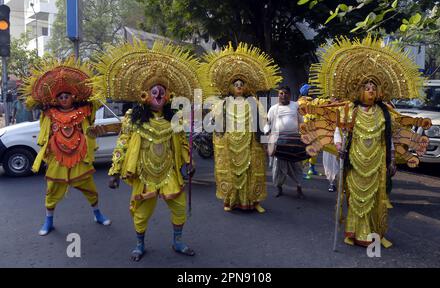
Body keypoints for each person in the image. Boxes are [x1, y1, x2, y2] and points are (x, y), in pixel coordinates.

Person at [299, 36, 432, 249]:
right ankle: (354, 234)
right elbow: (338, 130)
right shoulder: (349, 109)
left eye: (373, 86)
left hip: (377, 163)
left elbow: (389, 138)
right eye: (366, 86)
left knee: (376, 201)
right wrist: (339, 146)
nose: (370, 90)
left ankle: (375, 234)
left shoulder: (384, 113)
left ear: (379, 91)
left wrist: (393, 158)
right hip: (355, 162)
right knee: (356, 200)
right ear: (358, 90)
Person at [94, 40, 203, 261]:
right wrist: (114, 172)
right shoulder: (132, 120)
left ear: (168, 96)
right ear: (145, 95)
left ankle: (178, 241)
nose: (158, 95)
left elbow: (182, 143)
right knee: (142, 214)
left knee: (180, 207)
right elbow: (122, 144)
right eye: (154, 92)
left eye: (162, 92)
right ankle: (139, 245)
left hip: (169, 172)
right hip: (144, 173)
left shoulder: (175, 119)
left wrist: (188, 161)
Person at [21, 57, 111, 236]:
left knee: (91, 188)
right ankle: (49, 221)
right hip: (57, 159)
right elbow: (42, 127)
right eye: (60, 97)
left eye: (67, 96)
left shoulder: (84, 112)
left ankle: (97, 214)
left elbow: (97, 100)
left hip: (80, 158)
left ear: (73, 96)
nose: (64, 99)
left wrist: (95, 87)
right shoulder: (49, 114)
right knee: (52, 190)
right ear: (56, 98)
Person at [199, 42, 282, 213]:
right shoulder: (223, 103)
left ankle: (253, 201)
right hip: (230, 144)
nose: (238, 87)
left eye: (241, 84)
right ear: (229, 87)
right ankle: (230, 200)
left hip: (250, 143)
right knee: (231, 173)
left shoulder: (254, 102)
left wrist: (267, 142)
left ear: (246, 87)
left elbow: (263, 123)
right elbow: (215, 121)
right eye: (235, 84)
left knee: (252, 171)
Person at [265, 86, 304, 198]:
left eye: (285, 93)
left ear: (290, 95)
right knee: (277, 168)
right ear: (278, 96)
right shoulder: (273, 109)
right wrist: (268, 136)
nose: (283, 95)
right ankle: (279, 188)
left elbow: (302, 122)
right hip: (278, 143)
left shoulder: (296, 106)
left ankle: (299, 187)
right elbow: (267, 124)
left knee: (297, 167)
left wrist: (305, 135)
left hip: (294, 142)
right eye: (281, 93)